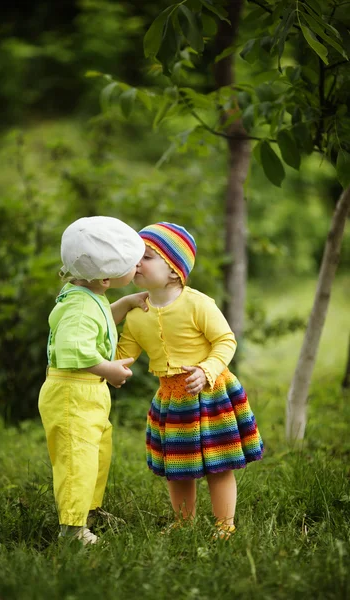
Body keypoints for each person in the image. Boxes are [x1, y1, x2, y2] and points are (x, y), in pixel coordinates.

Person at [116, 222, 263, 539]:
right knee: (178, 466)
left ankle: (225, 524)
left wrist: (206, 369)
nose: (137, 262)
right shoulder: (136, 313)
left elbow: (225, 341)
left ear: (173, 270)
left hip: (211, 393)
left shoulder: (198, 304)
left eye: (148, 256)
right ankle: (184, 521)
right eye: (135, 256)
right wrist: (111, 368)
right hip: (171, 399)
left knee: (219, 464)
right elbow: (123, 353)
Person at [38, 216, 147, 546]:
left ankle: (85, 510)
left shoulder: (87, 294)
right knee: (77, 459)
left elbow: (99, 321)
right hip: (72, 393)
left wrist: (125, 303)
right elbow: (75, 347)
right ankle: (72, 529)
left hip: (85, 393)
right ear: (104, 278)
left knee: (95, 453)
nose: (139, 266)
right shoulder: (78, 309)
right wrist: (108, 369)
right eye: (132, 265)